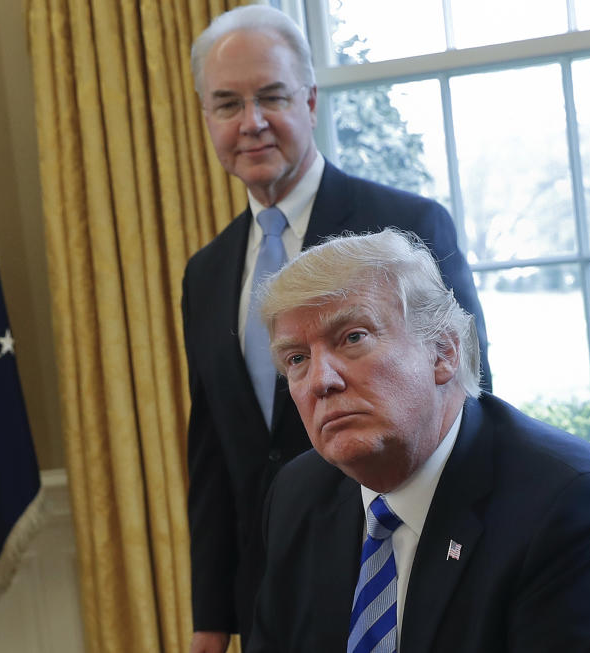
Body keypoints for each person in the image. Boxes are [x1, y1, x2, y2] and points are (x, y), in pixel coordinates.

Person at [183, 6, 492, 652]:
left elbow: (468, 396)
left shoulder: (406, 227)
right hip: (272, 592)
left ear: (311, 100)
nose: (252, 122)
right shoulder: (205, 273)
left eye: (271, 96)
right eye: (227, 104)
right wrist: (209, 620)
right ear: (208, 118)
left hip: (400, 564)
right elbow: (212, 454)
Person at [248, 230, 590, 652]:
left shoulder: (568, 505)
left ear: (444, 352)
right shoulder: (297, 495)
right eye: (297, 359)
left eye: (353, 337)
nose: (322, 380)